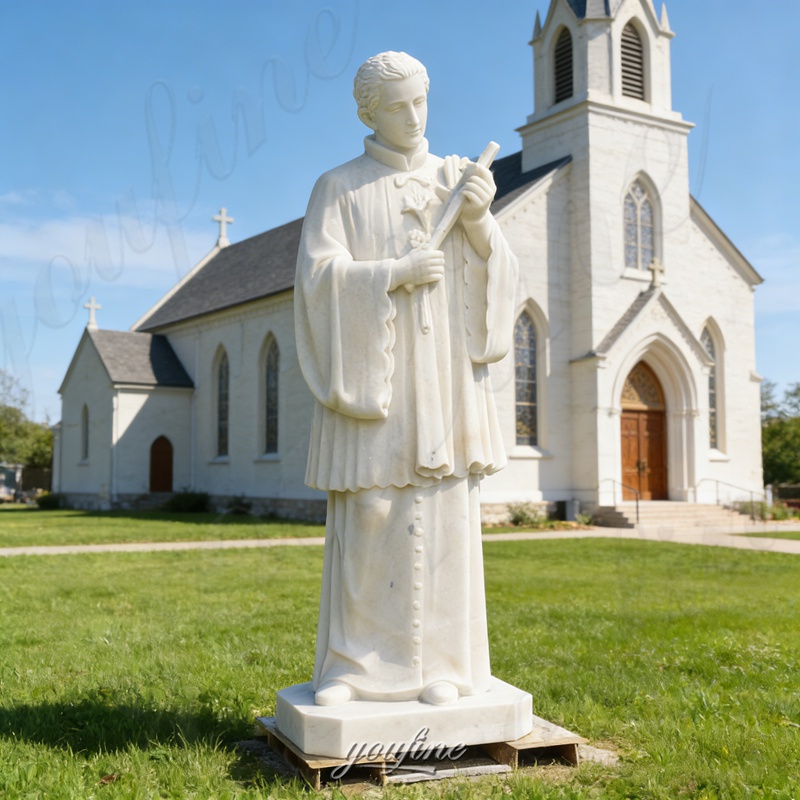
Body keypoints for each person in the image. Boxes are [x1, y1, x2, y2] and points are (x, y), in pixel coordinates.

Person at [294, 51, 518, 707]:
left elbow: (503, 277)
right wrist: (393, 274)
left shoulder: (456, 177)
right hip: (376, 379)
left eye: (421, 101)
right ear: (368, 113)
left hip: (442, 377)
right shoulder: (338, 187)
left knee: (442, 512)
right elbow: (316, 283)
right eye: (397, 106)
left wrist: (477, 220)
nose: (414, 117)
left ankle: (442, 666)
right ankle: (351, 669)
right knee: (370, 511)